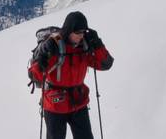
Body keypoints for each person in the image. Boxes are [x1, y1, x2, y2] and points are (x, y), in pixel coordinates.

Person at [28, 11, 113, 139]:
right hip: (55, 106)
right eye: (77, 33)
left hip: (78, 102)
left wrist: (98, 45)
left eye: (83, 32)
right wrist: (43, 56)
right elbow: (35, 76)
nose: (81, 36)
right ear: (68, 31)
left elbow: (105, 64)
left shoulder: (83, 47)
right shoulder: (56, 47)